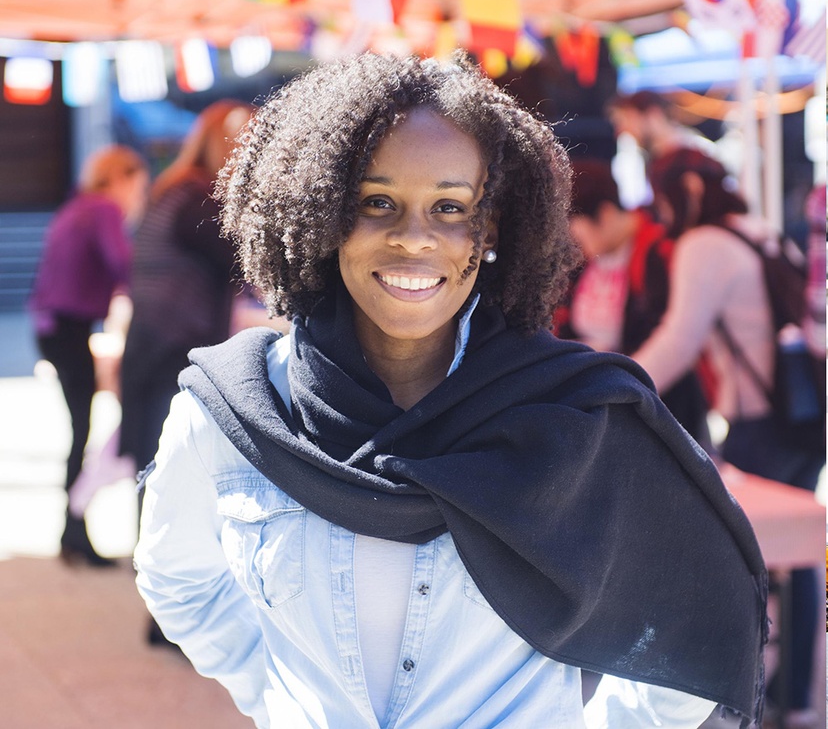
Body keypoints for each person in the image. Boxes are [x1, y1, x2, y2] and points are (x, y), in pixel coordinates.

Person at [134, 53, 767, 729]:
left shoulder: (578, 415)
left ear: (490, 229)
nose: (415, 238)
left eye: (450, 207)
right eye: (377, 203)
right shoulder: (231, 412)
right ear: (324, 214)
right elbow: (178, 580)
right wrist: (280, 700)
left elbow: (692, 620)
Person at [631, 148, 822, 729]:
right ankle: (796, 699)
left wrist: (606, 384)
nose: (660, 214)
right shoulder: (759, 230)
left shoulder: (703, 245)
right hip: (807, 413)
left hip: (760, 424)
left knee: (736, 562)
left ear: (685, 188)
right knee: (797, 553)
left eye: (662, 196)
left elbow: (678, 340)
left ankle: (744, 698)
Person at [29, 144, 149, 566]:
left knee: (80, 427)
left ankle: (72, 529)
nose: (139, 196)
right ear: (121, 178)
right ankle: (74, 529)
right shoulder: (102, 209)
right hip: (67, 328)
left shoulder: (77, 207)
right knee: (82, 428)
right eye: (138, 185)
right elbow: (125, 266)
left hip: (54, 327)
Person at [119, 99, 251, 482]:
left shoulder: (174, 188)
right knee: (168, 463)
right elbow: (244, 260)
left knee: (154, 460)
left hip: (151, 336)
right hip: (176, 342)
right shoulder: (198, 197)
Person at [555, 158, 710, 450]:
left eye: (578, 230)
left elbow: (675, 342)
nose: (575, 241)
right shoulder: (585, 263)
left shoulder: (661, 253)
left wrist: (623, 391)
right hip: (602, 408)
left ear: (605, 213)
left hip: (655, 412)